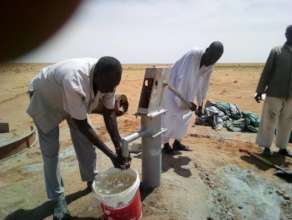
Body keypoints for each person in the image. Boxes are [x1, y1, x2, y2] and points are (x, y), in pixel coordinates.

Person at [27, 57, 129, 220]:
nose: (111, 89)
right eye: (109, 86)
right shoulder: (74, 80)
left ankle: (91, 178)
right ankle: (57, 199)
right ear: (97, 77)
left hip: (69, 99)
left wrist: (118, 147)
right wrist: (111, 155)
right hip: (46, 98)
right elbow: (82, 125)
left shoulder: (108, 80)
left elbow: (109, 113)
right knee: (51, 152)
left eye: (114, 86)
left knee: (85, 142)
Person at [162, 42, 224, 154]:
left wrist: (200, 103)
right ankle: (165, 145)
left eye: (215, 59)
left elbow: (203, 84)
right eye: (211, 57)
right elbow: (182, 79)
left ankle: (177, 142)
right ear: (207, 49)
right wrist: (186, 102)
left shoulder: (210, 64)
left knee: (184, 118)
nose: (211, 61)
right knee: (169, 117)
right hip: (173, 88)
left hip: (188, 93)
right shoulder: (193, 54)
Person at [255, 25, 292, 158]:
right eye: (290, 33)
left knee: (287, 122)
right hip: (274, 92)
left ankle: (282, 147)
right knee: (269, 120)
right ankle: (266, 147)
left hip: (291, 96)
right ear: (286, 35)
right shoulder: (276, 51)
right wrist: (260, 91)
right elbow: (267, 72)